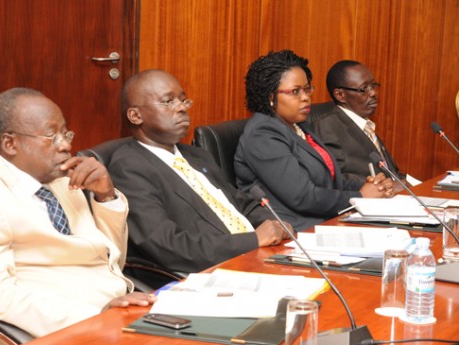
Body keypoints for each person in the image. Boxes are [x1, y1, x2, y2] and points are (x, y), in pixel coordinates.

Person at [0, 88, 156, 339]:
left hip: (118, 315)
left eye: (65, 133)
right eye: (51, 136)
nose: (66, 145)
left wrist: (105, 197)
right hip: (53, 331)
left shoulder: (60, 179)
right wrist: (92, 317)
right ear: (10, 143)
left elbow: (110, 261)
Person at [108, 69, 288, 285]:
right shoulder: (129, 167)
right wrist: (253, 240)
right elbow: (166, 244)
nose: (182, 108)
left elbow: (239, 203)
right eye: (168, 102)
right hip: (213, 272)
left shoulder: (197, 155)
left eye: (183, 100)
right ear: (136, 115)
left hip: (259, 256)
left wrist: (275, 226)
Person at [234, 50, 393, 231]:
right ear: (271, 97)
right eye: (295, 91)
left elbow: (330, 178)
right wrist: (360, 196)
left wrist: (371, 186)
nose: (305, 97)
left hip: (326, 221)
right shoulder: (262, 135)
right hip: (295, 232)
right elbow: (302, 197)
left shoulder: (298, 126)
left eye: (307, 88)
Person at [312, 60, 406, 186]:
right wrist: (381, 186)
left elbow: (392, 172)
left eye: (373, 86)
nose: (373, 93)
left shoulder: (365, 124)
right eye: (364, 89)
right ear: (340, 95)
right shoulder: (327, 126)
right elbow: (334, 176)